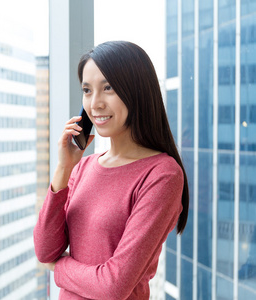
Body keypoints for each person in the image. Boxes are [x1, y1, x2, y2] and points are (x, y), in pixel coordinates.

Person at [33, 41, 189, 300]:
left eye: (108, 88)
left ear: (137, 91)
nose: (95, 104)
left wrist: (59, 268)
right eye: (87, 90)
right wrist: (63, 169)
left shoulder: (162, 175)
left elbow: (113, 286)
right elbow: (45, 251)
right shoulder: (83, 166)